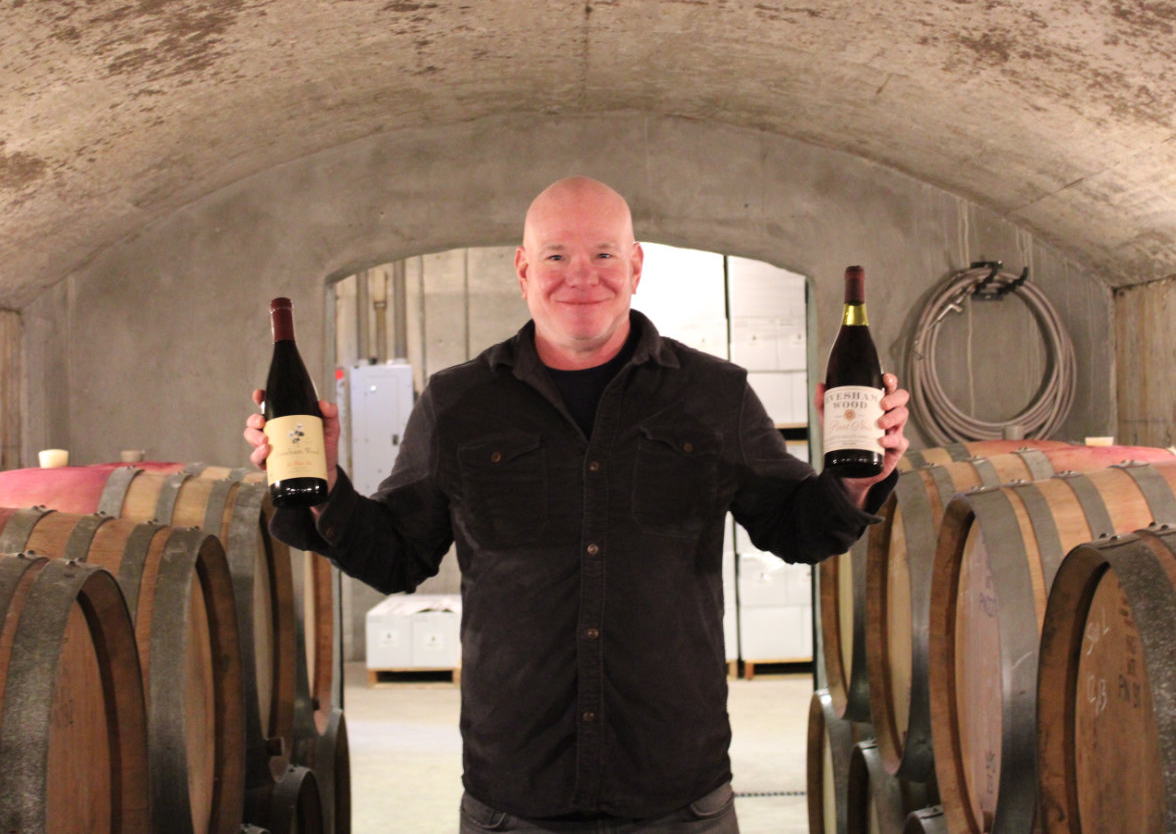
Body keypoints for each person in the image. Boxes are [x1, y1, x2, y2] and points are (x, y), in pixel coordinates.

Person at [244, 176, 910, 833]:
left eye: (604, 254)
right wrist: (325, 481)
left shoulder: (715, 394)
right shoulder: (459, 403)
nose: (581, 276)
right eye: (557, 256)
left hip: (679, 799)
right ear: (524, 269)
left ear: (636, 265)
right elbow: (396, 554)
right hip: (516, 799)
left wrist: (856, 478)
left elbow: (797, 528)